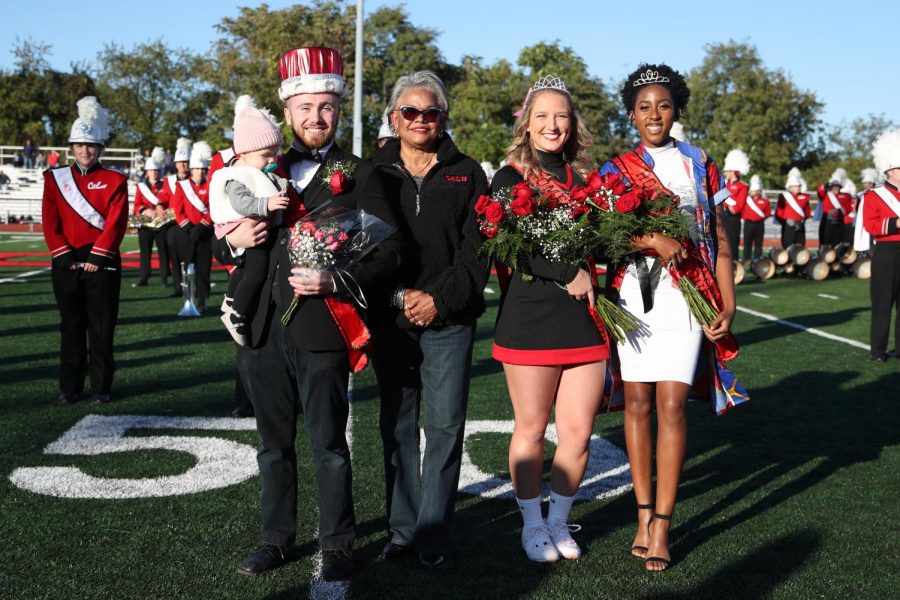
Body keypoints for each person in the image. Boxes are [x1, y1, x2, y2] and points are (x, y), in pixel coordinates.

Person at [220, 46, 403, 581]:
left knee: (328, 442)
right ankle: (276, 539)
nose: (315, 117)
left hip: (322, 325)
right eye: (305, 108)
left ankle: (339, 542)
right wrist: (236, 238)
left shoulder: (360, 171)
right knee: (272, 444)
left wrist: (336, 278)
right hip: (258, 327)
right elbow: (217, 237)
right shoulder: (255, 165)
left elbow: (389, 251)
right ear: (288, 111)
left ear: (338, 109)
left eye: (325, 107)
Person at [599, 64, 744, 571]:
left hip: (687, 298)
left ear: (676, 109)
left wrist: (726, 303)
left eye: (663, 105)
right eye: (643, 107)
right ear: (632, 115)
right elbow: (602, 233)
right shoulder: (615, 169)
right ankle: (641, 514)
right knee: (637, 404)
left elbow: (721, 239)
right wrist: (652, 239)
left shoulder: (701, 164)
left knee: (673, 404)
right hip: (635, 300)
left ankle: (663, 523)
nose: (653, 114)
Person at [370, 71, 489, 569]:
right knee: (397, 426)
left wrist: (438, 300)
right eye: (410, 112)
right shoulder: (371, 171)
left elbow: (478, 251)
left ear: (444, 118)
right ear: (395, 118)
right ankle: (401, 531)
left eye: (431, 112)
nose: (421, 120)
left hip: (451, 318)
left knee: (444, 428)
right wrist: (399, 297)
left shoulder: (469, 172)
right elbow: (362, 245)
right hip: (392, 319)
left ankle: (433, 533)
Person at [488, 74, 608, 563]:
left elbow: (603, 242)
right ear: (527, 123)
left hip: (583, 320)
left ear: (573, 123)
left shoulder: (588, 180)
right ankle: (531, 525)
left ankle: (559, 520)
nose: (552, 125)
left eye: (561, 116)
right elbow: (510, 244)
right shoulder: (509, 178)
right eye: (542, 116)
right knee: (532, 429)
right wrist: (568, 272)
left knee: (578, 432)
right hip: (531, 317)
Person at [41, 97, 128, 404]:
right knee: (71, 326)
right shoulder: (54, 179)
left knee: (102, 327)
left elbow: (116, 223)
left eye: (90, 146)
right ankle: (70, 387)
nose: (85, 151)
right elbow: (49, 220)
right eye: (79, 145)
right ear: (71, 148)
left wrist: (97, 257)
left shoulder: (116, 180)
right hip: (66, 261)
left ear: (99, 148)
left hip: (101, 263)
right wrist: (63, 255)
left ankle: (102, 387)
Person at [210, 96, 288, 346]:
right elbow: (241, 203)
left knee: (247, 272)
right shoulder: (238, 174)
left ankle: (232, 302)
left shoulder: (258, 168)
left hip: (260, 234)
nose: (271, 161)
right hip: (244, 230)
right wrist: (267, 204)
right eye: (266, 155)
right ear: (243, 152)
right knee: (254, 273)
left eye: (273, 154)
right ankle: (238, 315)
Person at [862, 129, 900, 362]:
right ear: (889, 171)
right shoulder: (874, 195)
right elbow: (871, 225)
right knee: (883, 302)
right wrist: (896, 223)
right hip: (886, 252)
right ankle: (878, 351)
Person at [172, 141, 213, 312]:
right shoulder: (182, 186)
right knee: (187, 267)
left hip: (204, 233)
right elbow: (177, 209)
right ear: (192, 170)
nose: (201, 172)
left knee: (204, 268)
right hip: (187, 234)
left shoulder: (210, 186)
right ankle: (188, 299)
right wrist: (189, 227)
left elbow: (213, 208)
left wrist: (203, 226)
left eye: (204, 169)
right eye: (198, 169)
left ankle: (202, 300)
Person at [132, 147, 171, 287]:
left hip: (161, 222)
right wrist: (145, 211)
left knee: (163, 251)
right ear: (147, 172)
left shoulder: (165, 184)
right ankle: (144, 277)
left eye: (156, 171)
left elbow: (168, 201)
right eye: (151, 171)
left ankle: (164, 277)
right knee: (145, 252)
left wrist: (159, 210)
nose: (154, 173)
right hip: (145, 223)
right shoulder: (141, 186)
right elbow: (136, 205)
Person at [160, 138, 192, 297]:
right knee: (174, 255)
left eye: (186, 162)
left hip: (192, 224)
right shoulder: (169, 181)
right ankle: (177, 287)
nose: (183, 165)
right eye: (180, 162)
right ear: (176, 164)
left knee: (191, 257)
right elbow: (163, 197)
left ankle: (192, 287)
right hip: (174, 224)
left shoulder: (196, 179)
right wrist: (159, 205)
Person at [722, 149, 750, 262]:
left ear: (732, 172)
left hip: (732, 218)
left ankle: (734, 267)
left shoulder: (742, 186)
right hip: (722, 216)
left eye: (727, 171)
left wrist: (727, 207)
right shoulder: (723, 184)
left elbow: (739, 206)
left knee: (733, 243)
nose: (725, 173)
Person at [775, 167, 811, 248]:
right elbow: (779, 212)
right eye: (795, 186)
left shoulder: (805, 197)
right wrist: (785, 223)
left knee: (800, 246)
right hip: (788, 225)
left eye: (798, 186)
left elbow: (807, 212)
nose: (798, 187)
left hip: (800, 224)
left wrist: (802, 221)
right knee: (788, 246)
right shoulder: (784, 196)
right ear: (790, 187)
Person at [816, 173, 852, 248]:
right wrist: (827, 184)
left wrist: (838, 212)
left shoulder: (846, 196)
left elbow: (848, 208)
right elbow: (820, 190)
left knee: (838, 241)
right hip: (827, 221)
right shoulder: (826, 194)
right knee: (825, 240)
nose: (836, 188)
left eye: (837, 186)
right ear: (830, 187)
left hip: (839, 220)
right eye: (833, 186)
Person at [741, 174, 770, 262]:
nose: (751, 192)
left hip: (759, 223)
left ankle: (758, 260)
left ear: (758, 191)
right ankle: (746, 259)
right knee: (747, 243)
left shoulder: (765, 201)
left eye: (753, 191)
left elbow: (767, 213)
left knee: (758, 243)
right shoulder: (746, 200)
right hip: (748, 223)